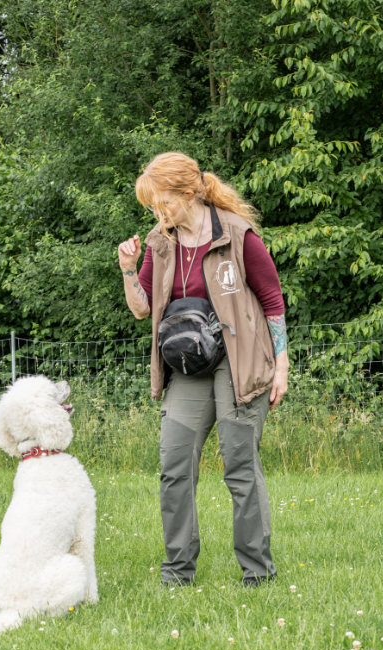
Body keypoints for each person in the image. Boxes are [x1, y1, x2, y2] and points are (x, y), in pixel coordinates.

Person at [116, 152, 289, 587]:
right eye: (153, 206)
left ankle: (257, 574)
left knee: (239, 465)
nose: (159, 212)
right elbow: (142, 309)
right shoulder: (161, 239)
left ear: (188, 192)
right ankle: (176, 573)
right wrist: (128, 270)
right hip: (187, 365)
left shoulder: (236, 234)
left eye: (164, 202)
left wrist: (281, 366)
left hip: (239, 362)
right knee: (174, 465)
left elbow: (272, 302)